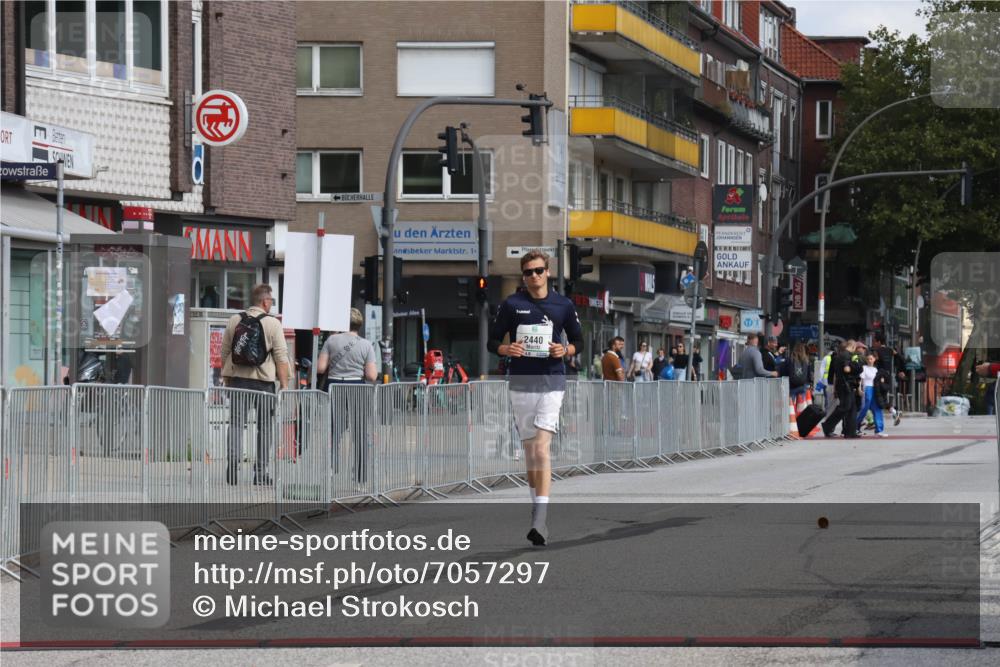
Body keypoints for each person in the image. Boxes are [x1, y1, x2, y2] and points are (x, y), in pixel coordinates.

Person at [489, 250, 583, 547]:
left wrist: (565, 351)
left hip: (552, 381)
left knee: (542, 449)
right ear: (523, 276)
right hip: (521, 383)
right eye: (528, 272)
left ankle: (540, 520)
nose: (534, 276)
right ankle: (536, 505)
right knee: (530, 454)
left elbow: (579, 340)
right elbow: (493, 340)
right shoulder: (512, 304)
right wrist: (507, 350)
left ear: (548, 271)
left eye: (538, 271)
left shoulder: (563, 304)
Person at [220, 284, 290, 486]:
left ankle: (232, 469)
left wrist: (227, 379)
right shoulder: (272, 323)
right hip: (264, 384)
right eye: (271, 301)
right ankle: (260, 473)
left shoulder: (235, 320)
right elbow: (281, 357)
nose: (271, 304)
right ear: (265, 301)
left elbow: (225, 353)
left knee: (235, 425)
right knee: (265, 428)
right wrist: (284, 385)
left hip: (238, 382)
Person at [316, 308, 378, 484]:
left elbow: (320, 368)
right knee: (359, 431)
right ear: (359, 324)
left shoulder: (331, 340)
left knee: (334, 429)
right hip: (356, 387)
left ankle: (331, 469)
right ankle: (360, 476)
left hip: (334, 386)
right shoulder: (366, 345)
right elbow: (372, 376)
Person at [822, 340, 863, 438]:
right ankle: (827, 426)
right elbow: (847, 369)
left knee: (852, 408)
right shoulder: (846, 355)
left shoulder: (841, 355)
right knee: (845, 407)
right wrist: (856, 367)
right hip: (845, 385)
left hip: (845, 385)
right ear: (853, 346)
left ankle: (850, 432)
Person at [871, 332, 902, 426]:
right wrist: (899, 369)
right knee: (881, 398)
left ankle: (893, 412)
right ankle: (893, 412)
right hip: (888, 376)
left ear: (879, 342)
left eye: (874, 341)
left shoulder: (877, 351)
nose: (873, 343)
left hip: (880, 376)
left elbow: (873, 361)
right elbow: (899, 357)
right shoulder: (890, 350)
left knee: (879, 398)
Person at [856, 352, 887, 437]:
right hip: (867, 388)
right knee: (864, 409)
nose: (869, 360)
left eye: (871, 359)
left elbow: (878, 380)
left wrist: (882, 381)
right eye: (868, 359)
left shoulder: (876, 369)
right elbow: (860, 380)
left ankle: (879, 430)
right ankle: (855, 426)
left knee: (877, 409)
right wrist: (859, 389)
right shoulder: (864, 368)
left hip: (875, 389)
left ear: (874, 359)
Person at [782, 342, 813, 408]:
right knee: (801, 406)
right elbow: (809, 374)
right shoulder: (806, 360)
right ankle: (800, 417)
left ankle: (791, 417)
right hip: (802, 385)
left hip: (791, 386)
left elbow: (784, 372)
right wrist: (810, 383)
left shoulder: (789, 359)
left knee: (791, 406)